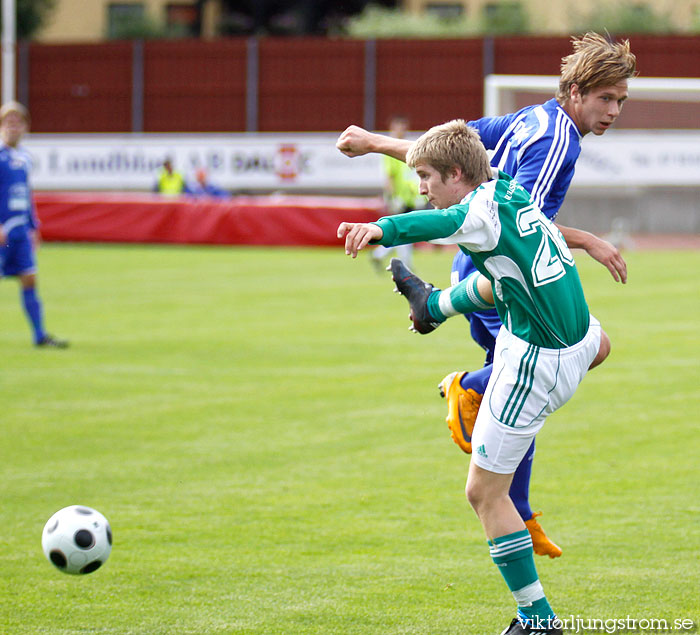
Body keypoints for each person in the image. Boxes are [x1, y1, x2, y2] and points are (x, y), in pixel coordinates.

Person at [335, 32, 636, 557]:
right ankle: (486, 433)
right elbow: (518, 226)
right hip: (502, 277)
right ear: (575, 91)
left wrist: (378, 142)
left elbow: (452, 150)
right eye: (605, 98)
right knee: (527, 380)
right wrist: (587, 240)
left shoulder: (530, 117)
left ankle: (508, 485)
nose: (613, 111)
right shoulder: (555, 141)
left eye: (620, 101)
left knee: (578, 358)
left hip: (483, 264)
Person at [337, 120, 611, 635]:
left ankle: (538, 620)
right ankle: (433, 305)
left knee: (485, 493)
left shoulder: (475, 211)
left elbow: (435, 225)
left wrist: (381, 228)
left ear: (456, 173)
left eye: (425, 176)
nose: (420, 187)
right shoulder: (506, 186)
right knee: (503, 280)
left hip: (537, 361)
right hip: (584, 338)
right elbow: (495, 270)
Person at [0, 101, 68, 348]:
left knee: (29, 279)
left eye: (17, 123)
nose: (13, 127)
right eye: (8, 123)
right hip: (3, 231)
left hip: (20, 231)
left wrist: (34, 226)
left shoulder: (25, 158)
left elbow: (25, 194)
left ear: (25, 128)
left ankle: (39, 335)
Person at [370, 115, 421, 271]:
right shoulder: (389, 149)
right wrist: (391, 197)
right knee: (405, 230)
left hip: (410, 196)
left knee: (406, 229)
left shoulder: (406, 146)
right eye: (399, 127)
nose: (402, 130)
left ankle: (379, 255)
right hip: (400, 197)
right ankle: (404, 263)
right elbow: (389, 175)